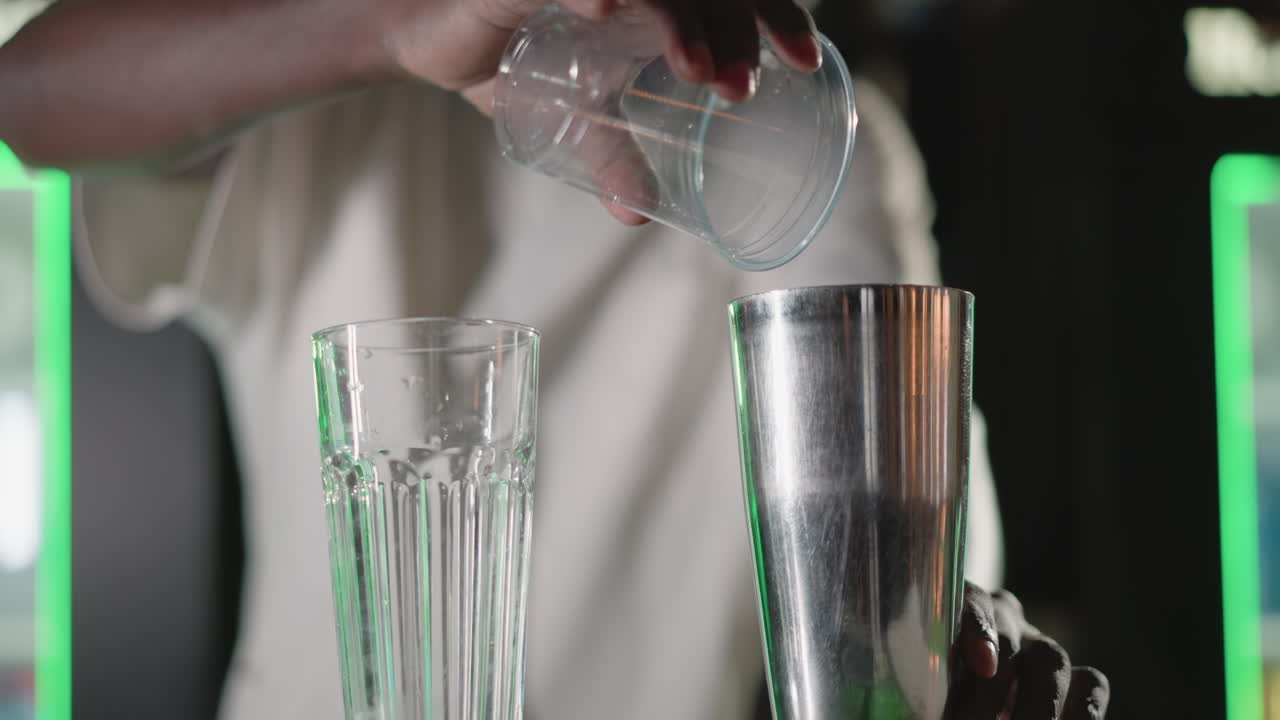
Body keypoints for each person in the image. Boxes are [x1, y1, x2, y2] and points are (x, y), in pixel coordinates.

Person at [0, 0, 1107, 717]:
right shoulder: (333, 120)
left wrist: (950, 651)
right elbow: (31, 92)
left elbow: (893, 556)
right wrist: (390, 25)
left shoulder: (797, 137)